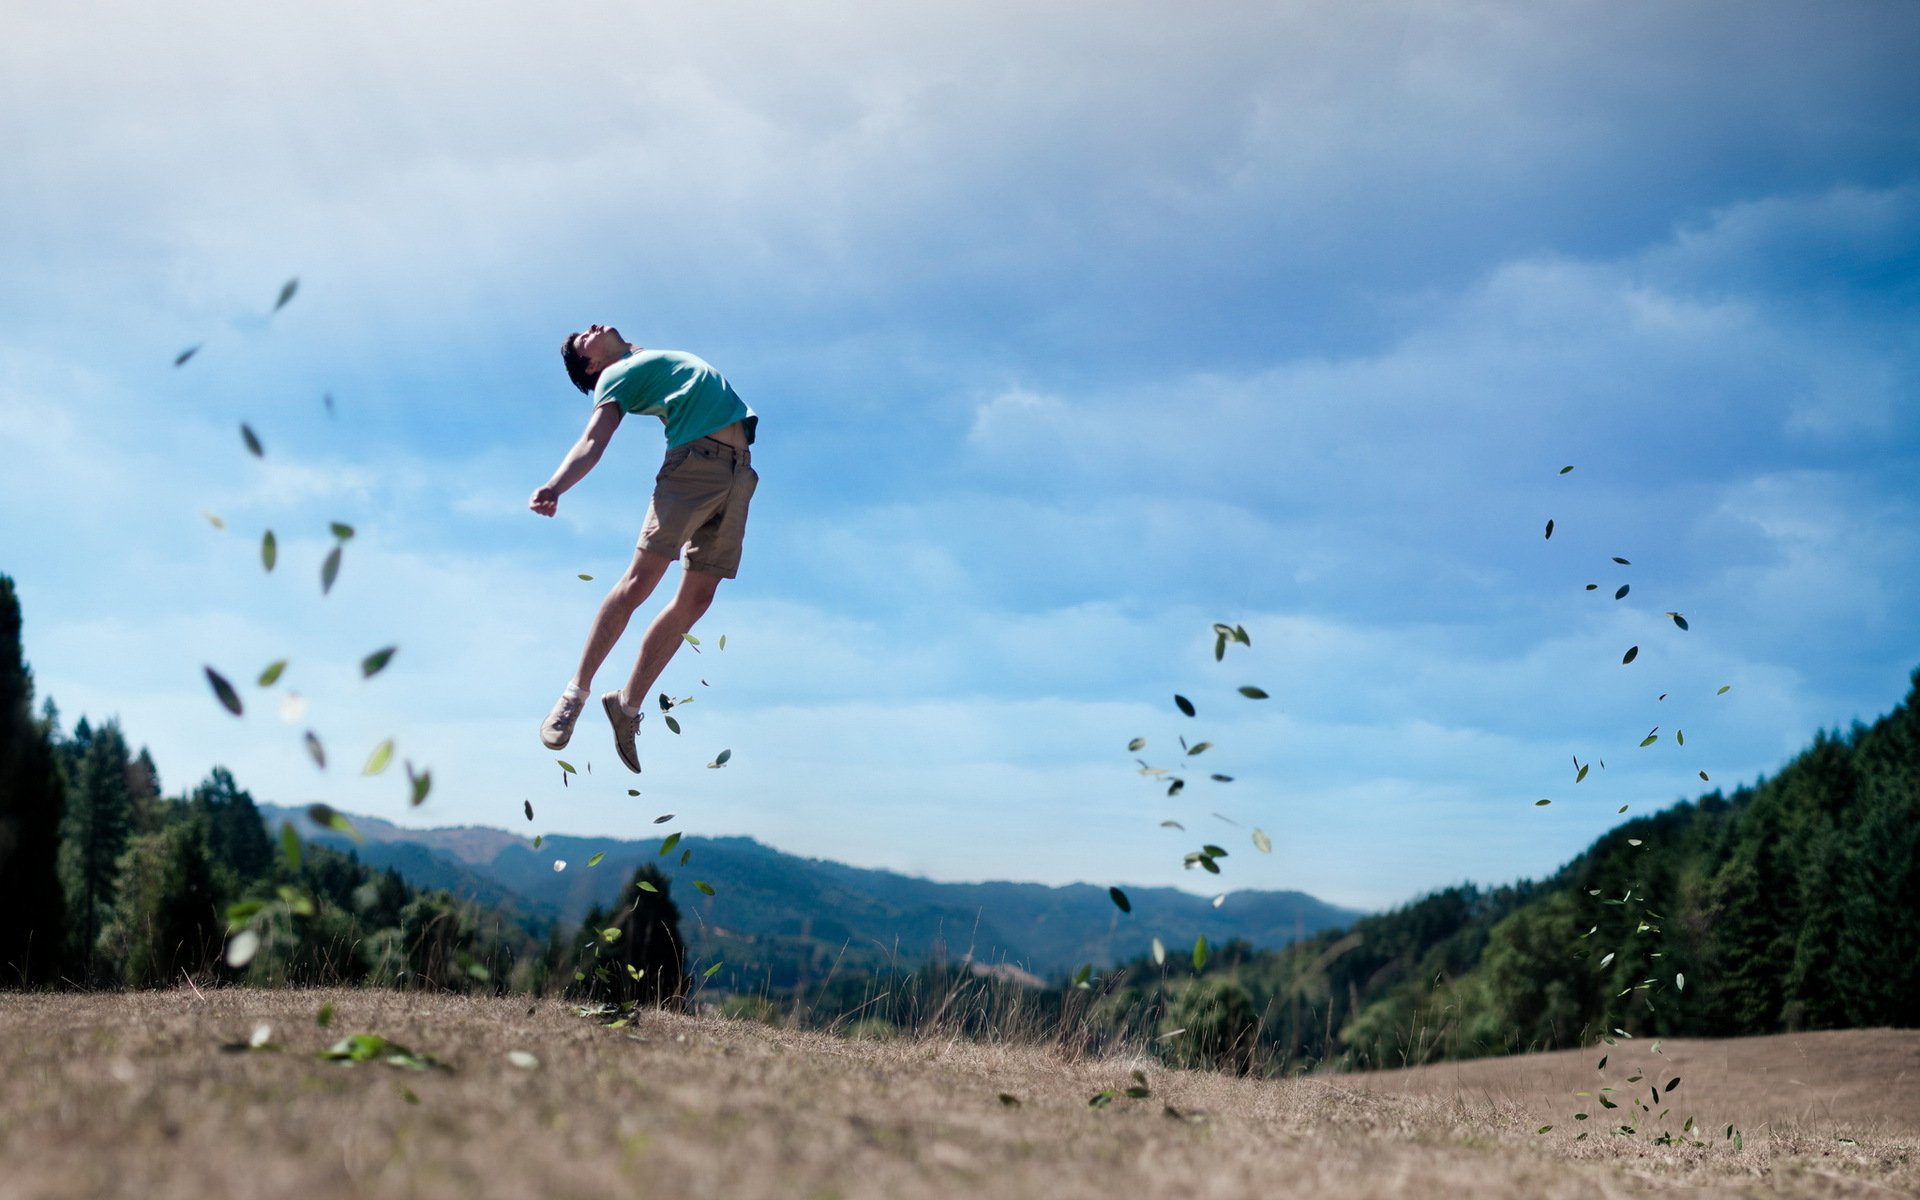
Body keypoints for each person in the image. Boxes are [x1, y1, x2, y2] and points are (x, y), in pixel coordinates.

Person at [529, 324, 759, 773]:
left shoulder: (646, 358)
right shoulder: (614, 377)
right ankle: (574, 694)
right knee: (640, 582)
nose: (592, 328)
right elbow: (593, 441)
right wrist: (555, 486)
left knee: (698, 599)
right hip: (693, 466)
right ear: (592, 366)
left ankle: (627, 706)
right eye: (582, 340)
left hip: (738, 473)